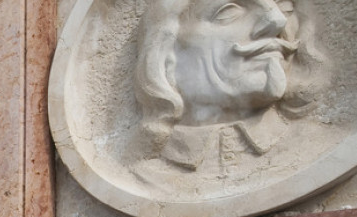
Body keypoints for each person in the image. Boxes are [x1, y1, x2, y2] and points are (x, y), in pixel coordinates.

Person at [133, 0, 325, 179]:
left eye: (285, 7)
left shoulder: (319, 150)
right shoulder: (142, 180)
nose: (277, 21)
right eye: (229, 10)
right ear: (167, 52)